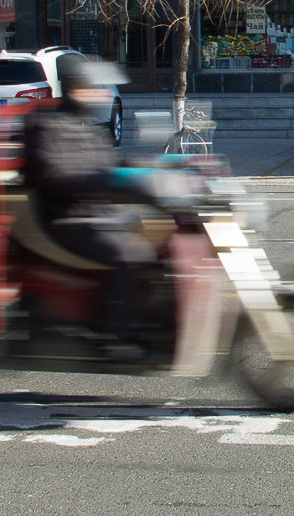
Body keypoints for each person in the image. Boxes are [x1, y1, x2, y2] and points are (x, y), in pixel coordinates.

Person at [22, 62, 182, 359]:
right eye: (91, 89)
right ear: (73, 90)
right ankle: (117, 337)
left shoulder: (89, 129)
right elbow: (54, 176)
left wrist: (160, 166)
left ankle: (153, 319)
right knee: (130, 253)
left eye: (100, 90)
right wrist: (110, 181)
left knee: (164, 239)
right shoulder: (46, 125)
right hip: (66, 219)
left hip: (100, 215)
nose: (98, 96)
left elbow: (109, 164)